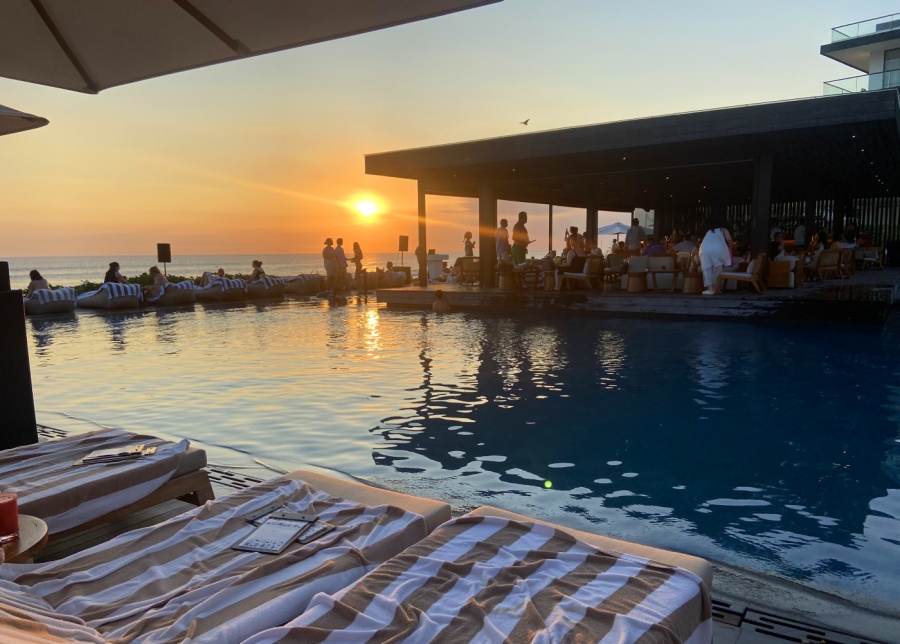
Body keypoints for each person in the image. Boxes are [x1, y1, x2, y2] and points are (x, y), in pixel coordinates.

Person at [698, 210, 731, 295]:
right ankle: (715, 288)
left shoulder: (706, 226)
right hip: (718, 249)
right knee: (717, 268)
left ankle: (710, 289)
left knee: (707, 268)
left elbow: (700, 238)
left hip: (705, 248)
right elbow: (729, 239)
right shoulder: (723, 228)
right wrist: (731, 245)